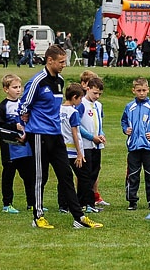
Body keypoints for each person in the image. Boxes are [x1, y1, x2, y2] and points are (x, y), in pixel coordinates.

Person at [19, 44, 103, 229]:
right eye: (61, 62)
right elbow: (24, 106)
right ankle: (38, 216)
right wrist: (25, 126)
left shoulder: (60, 81)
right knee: (41, 177)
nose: (64, 65)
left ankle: (79, 218)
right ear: (50, 61)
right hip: (40, 135)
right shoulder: (37, 81)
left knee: (66, 175)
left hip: (57, 135)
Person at [0, 74, 36, 215]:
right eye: (14, 87)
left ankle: (31, 203)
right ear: (6, 89)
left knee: (29, 177)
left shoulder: (24, 104)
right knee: (8, 177)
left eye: (20, 87)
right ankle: (7, 204)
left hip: (25, 148)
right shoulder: (2, 107)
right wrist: (13, 127)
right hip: (10, 149)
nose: (18, 90)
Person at [121, 78, 150, 210]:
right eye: (138, 90)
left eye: (144, 90)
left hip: (148, 147)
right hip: (133, 147)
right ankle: (132, 201)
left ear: (148, 90)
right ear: (133, 90)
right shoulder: (129, 107)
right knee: (132, 175)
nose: (141, 93)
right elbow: (124, 121)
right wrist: (125, 129)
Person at [78, 76, 106, 212]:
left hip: (96, 145)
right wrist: (91, 137)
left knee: (95, 172)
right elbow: (77, 125)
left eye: (99, 94)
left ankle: (88, 202)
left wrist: (101, 134)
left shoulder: (98, 105)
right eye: (95, 93)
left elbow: (99, 123)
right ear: (87, 89)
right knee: (86, 174)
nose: (97, 96)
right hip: (85, 145)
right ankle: (86, 203)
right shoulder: (81, 104)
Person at [59, 83, 88, 213]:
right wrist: (79, 153)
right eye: (81, 98)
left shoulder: (58, 110)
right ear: (75, 97)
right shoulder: (73, 112)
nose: (81, 101)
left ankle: (63, 205)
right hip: (73, 150)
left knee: (63, 177)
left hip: (60, 150)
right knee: (83, 176)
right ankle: (81, 203)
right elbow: (75, 133)